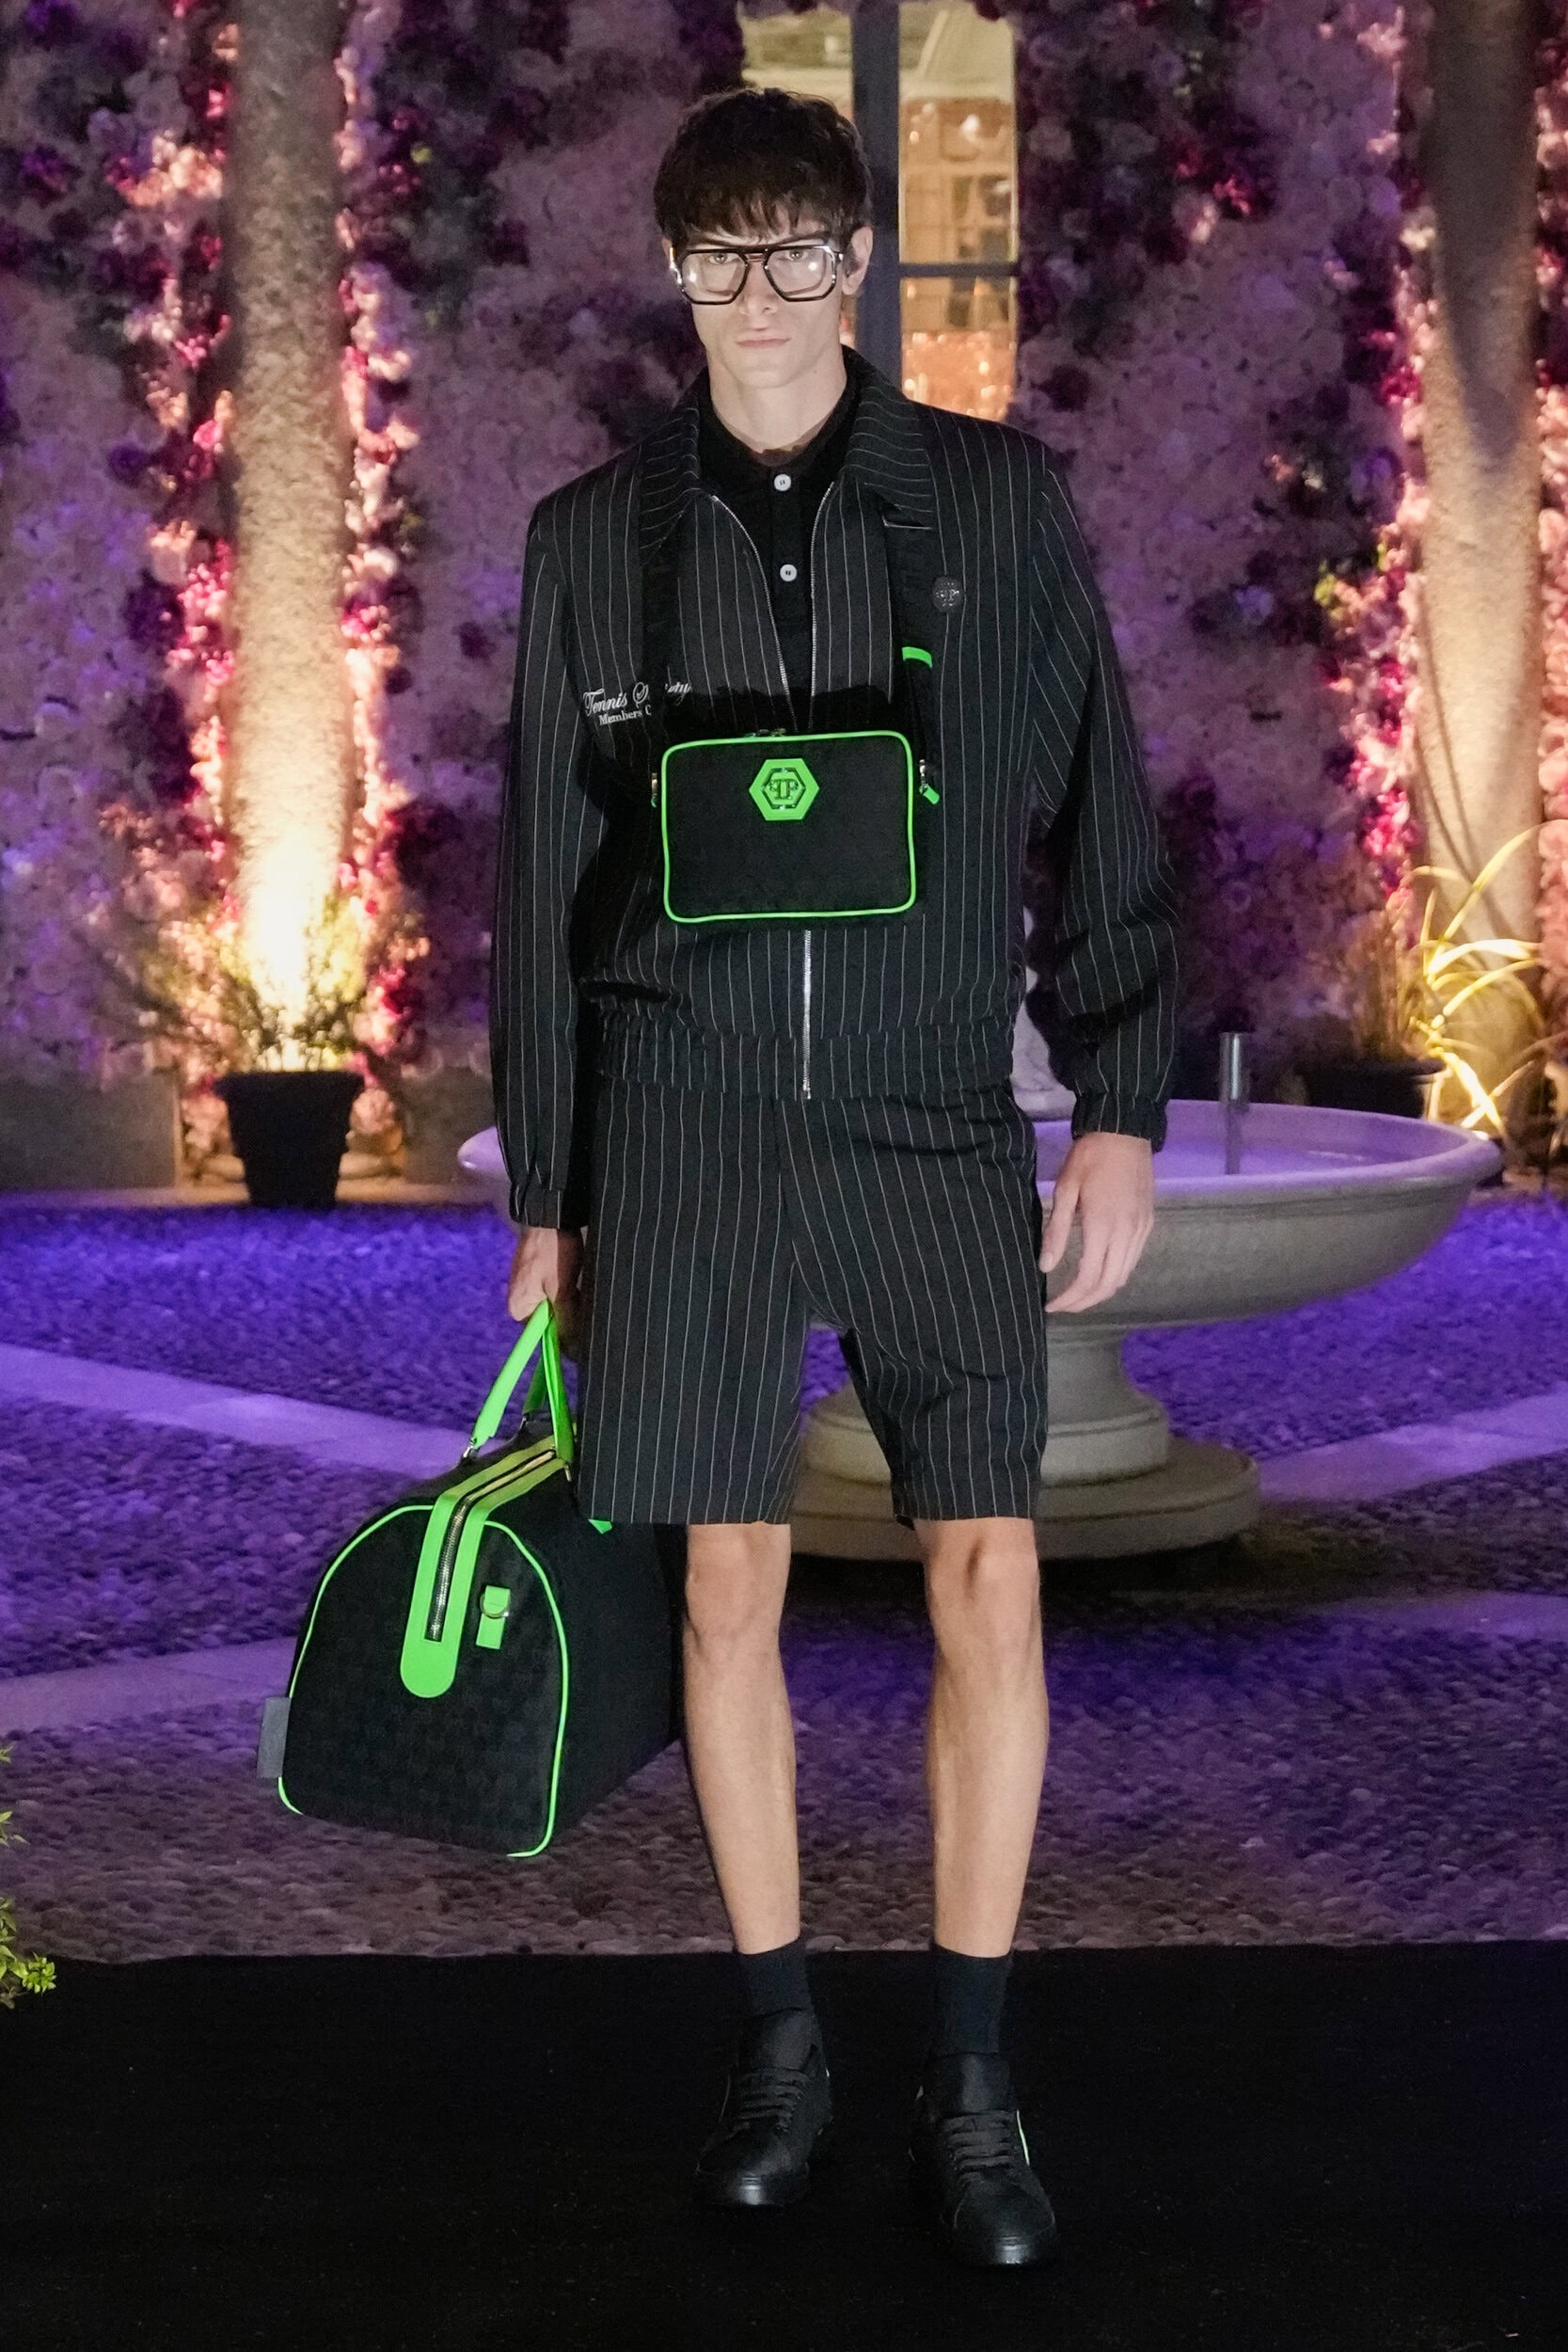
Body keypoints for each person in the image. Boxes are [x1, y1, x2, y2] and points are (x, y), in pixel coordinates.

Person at [489, 85, 1178, 2268]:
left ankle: (973, 2077)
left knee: (990, 1572)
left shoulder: (992, 505)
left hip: (925, 1113)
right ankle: (781, 2035)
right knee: (722, 1584)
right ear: (677, 272)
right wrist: (552, 1186)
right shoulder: (596, 538)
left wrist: (1125, 1095)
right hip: (685, 1123)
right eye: (722, 256)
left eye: (800, 251)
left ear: (858, 262)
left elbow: (1101, 800)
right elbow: (543, 884)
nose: (763, 296)